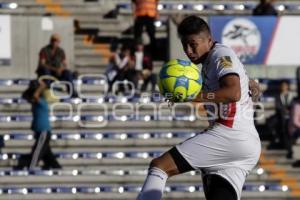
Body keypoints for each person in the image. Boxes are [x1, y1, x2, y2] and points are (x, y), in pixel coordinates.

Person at [137, 16, 261, 200]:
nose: (188, 51)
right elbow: (237, 82)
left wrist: (191, 96)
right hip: (244, 144)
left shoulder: (220, 55)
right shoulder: (211, 61)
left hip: (229, 134)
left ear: (209, 40)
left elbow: (232, 93)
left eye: (193, 44)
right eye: (185, 45)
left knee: (160, 166)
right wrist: (250, 82)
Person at [16, 79, 61, 170]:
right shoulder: (36, 102)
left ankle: (30, 166)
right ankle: (56, 167)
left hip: (43, 132)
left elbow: (35, 95)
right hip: (39, 132)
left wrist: (41, 86)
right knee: (47, 153)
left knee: (37, 152)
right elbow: (25, 96)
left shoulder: (41, 102)